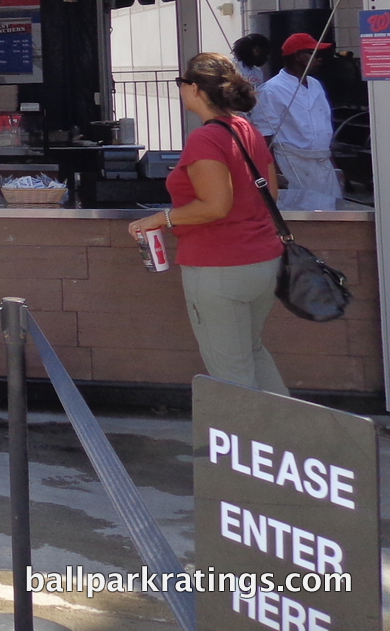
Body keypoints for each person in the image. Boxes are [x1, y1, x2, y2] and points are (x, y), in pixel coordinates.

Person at [126, 53, 286, 394]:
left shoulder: (205, 138)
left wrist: (160, 218)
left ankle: (242, 445)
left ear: (195, 89)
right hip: (264, 260)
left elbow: (215, 206)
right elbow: (269, 193)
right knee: (252, 353)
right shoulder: (247, 129)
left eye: (181, 84)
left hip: (218, 267)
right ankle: (287, 439)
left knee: (231, 371)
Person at [251, 32, 341, 210]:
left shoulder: (315, 85)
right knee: (302, 219)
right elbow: (263, 137)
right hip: (293, 166)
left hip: (323, 166)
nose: (320, 59)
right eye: (314, 54)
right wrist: (275, 174)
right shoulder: (271, 90)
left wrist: (335, 167)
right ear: (298, 56)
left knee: (332, 219)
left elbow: (324, 130)